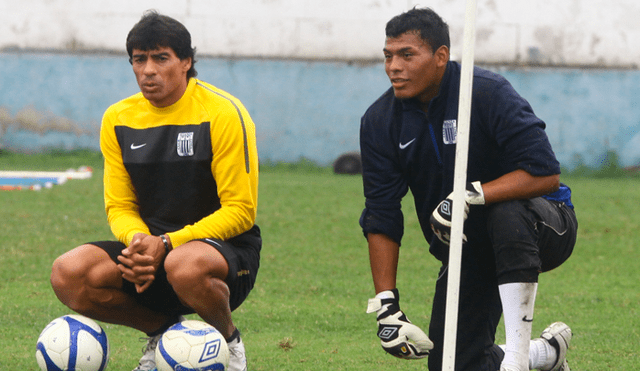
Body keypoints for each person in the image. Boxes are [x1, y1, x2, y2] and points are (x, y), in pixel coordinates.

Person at [360, 7, 577, 371]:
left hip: (544, 225)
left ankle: (518, 360)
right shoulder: (380, 120)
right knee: (452, 362)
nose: (393, 67)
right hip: (466, 248)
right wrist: (387, 306)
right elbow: (381, 214)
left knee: (505, 213)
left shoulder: (487, 92)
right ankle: (547, 354)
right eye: (388, 56)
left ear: (441, 56)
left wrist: (469, 194)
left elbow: (545, 174)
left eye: (407, 55)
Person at [50, 11, 260, 371]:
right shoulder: (118, 118)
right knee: (68, 273)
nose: (148, 70)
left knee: (184, 265)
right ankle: (162, 336)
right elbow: (119, 205)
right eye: (139, 59)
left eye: (161, 58)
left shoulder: (222, 112)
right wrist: (138, 242)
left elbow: (240, 210)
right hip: (151, 251)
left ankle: (228, 342)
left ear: (186, 62)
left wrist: (167, 245)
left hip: (221, 255)